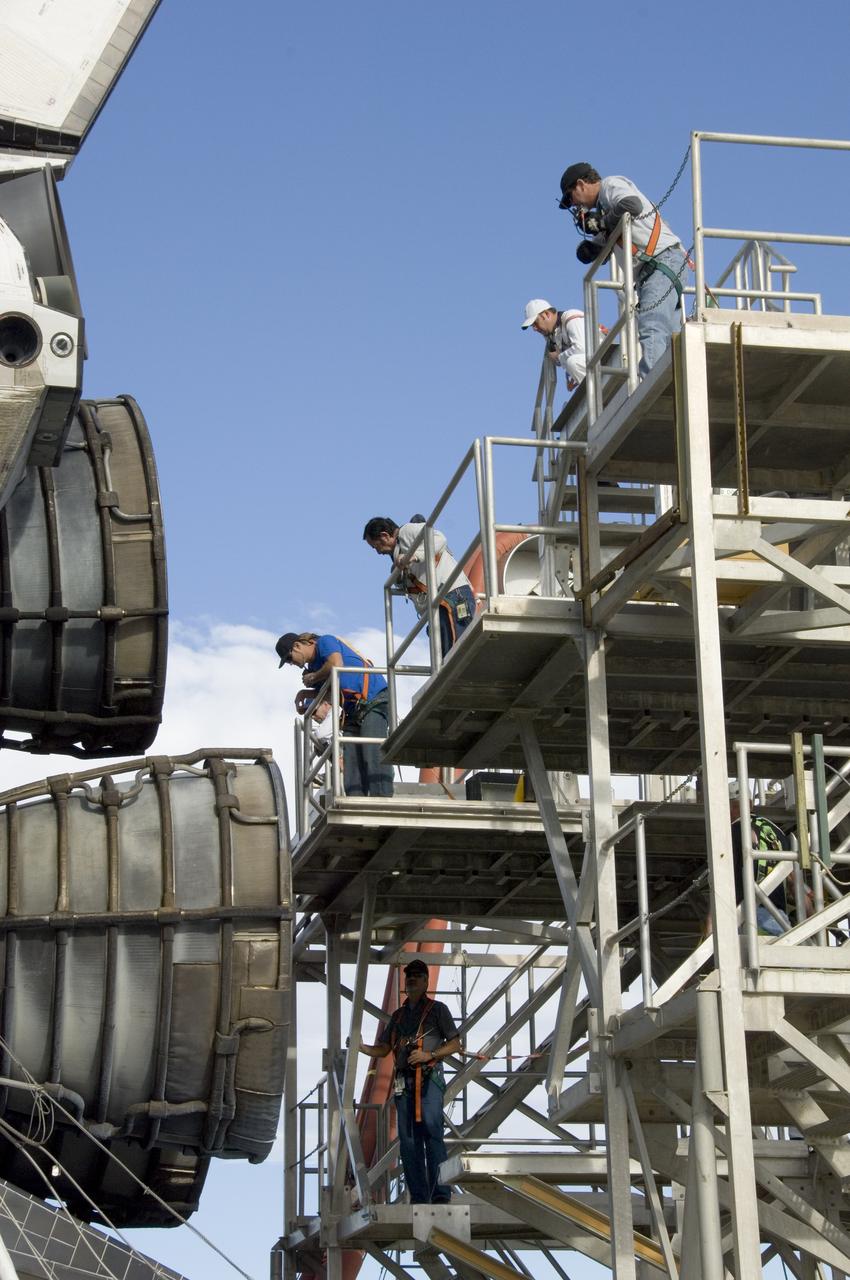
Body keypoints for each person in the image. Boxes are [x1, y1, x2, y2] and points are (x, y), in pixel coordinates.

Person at [558, 162, 688, 377]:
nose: (574, 205)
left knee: (652, 324)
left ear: (581, 184)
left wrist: (601, 221)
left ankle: (650, 383)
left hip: (662, 263)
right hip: (657, 270)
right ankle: (673, 380)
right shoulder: (604, 210)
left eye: (571, 197)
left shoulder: (610, 185)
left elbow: (631, 204)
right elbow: (603, 244)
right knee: (670, 337)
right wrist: (590, 248)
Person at [359, 957, 461, 1204]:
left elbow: (456, 1043)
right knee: (408, 1141)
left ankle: (440, 1193)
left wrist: (430, 1055)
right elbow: (384, 1049)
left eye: (417, 975)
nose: (411, 979)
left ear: (426, 981)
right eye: (409, 976)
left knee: (432, 1133)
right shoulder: (399, 1016)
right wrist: (363, 1048)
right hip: (404, 1084)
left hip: (428, 1080)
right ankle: (418, 1195)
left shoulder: (438, 1011)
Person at [276, 631, 394, 797]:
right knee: (351, 762)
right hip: (352, 711)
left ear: (297, 646)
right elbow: (330, 694)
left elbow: (336, 663)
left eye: (289, 658)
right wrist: (306, 695)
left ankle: (383, 800)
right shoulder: (315, 668)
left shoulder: (325, 642)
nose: (290, 663)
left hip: (373, 699)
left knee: (372, 750)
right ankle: (356, 804)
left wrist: (314, 678)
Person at [362, 517, 476, 657]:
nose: (378, 552)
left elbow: (438, 538)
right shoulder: (398, 550)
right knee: (446, 657)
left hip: (451, 597)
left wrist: (413, 556)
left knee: (456, 654)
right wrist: (398, 574)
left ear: (384, 536)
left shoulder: (406, 531)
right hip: (438, 605)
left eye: (375, 546)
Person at [729, 786, 792, 936]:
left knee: (745, 958)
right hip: (779, 920)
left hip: (746, 916)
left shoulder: (732, 831)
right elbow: (792, 879)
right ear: (750, 804)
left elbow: (723, 877)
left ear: (728, 807)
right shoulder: (778, 832)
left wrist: (711, 923)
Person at [521, 298, 586, 390]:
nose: (535, 329)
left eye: (535, 323)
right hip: (593, 364)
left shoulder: (571, 318)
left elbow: (582, 348)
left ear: (546, 314)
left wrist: (559, 357)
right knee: (572, 364)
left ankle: (596, 394)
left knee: (573, 363)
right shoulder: (553, 335)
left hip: (604, 357)